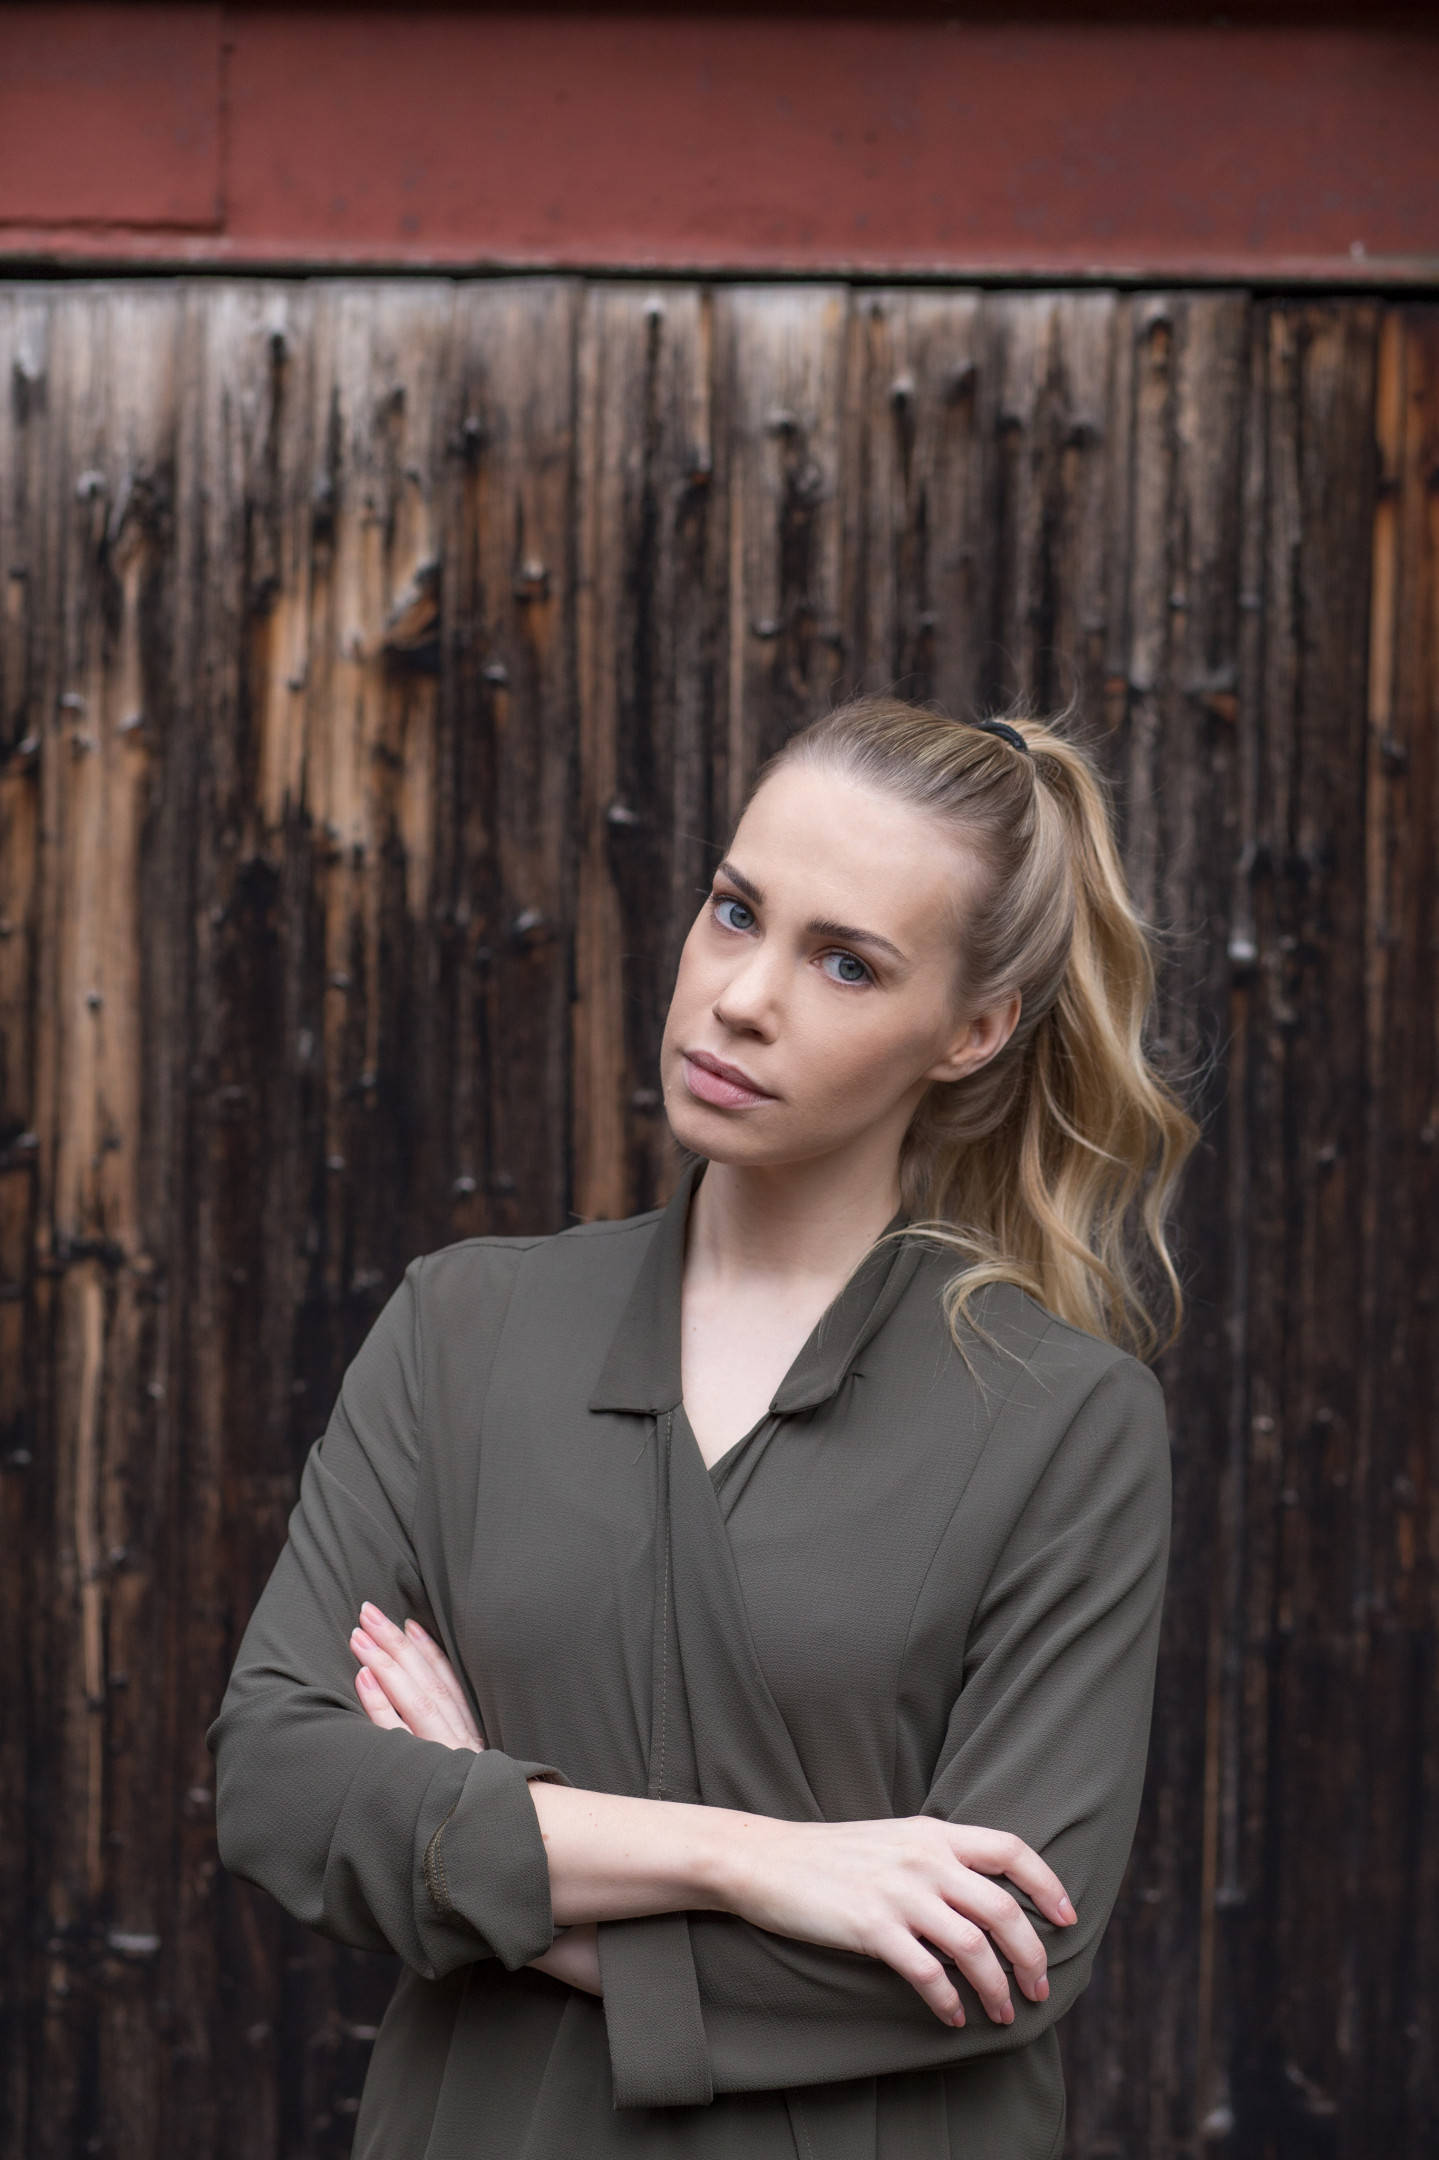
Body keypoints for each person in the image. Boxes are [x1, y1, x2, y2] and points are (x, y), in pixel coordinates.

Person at [210, 695, 1197, 2159]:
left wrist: (487, 1846)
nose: (743, 997)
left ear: (974, 1031)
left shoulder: (1066, 1424)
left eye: (846, 963)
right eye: (736, 912)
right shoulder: (463, 1328)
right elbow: (279, 1784)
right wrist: (757, 1864)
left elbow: (1001, 1951)